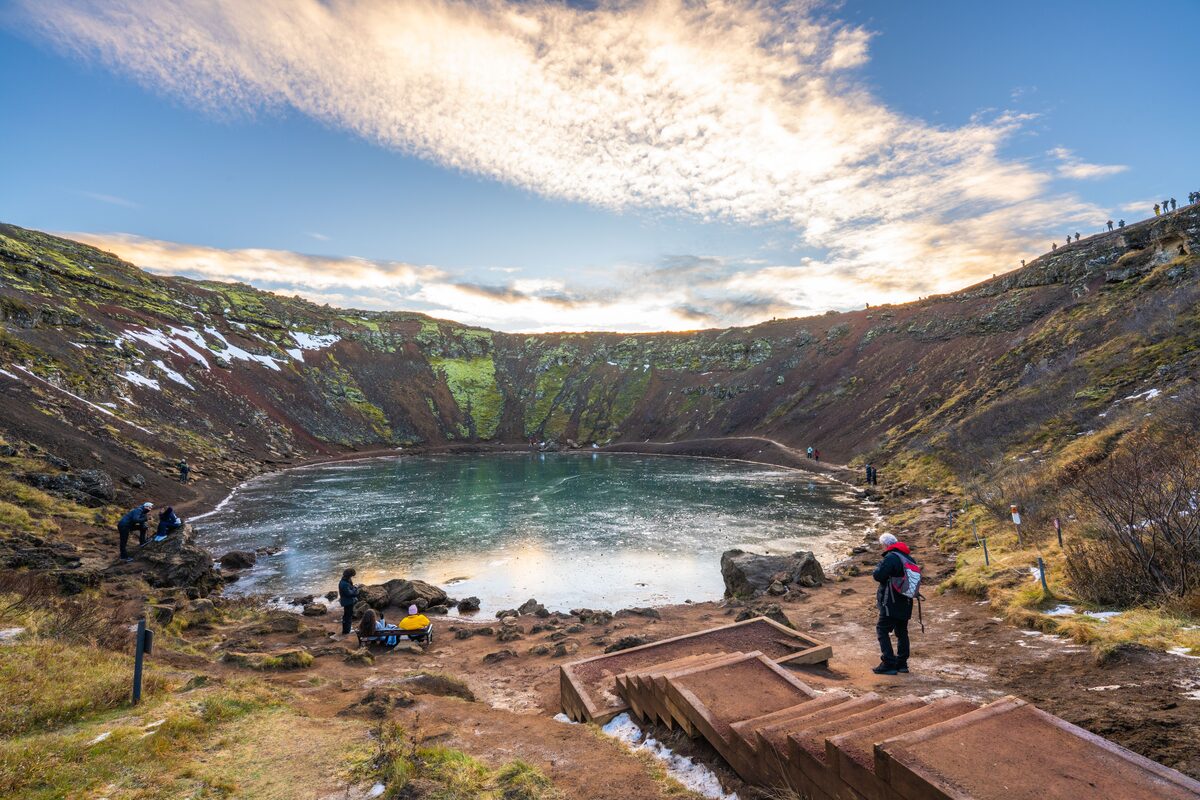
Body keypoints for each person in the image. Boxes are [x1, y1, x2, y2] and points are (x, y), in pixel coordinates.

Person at [872, 533, 917, 675]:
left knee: (882, 630)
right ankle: (902, 663)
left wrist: (879, 567)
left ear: (886, 545)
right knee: (902, 632)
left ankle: (889, 663)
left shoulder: (891, 557)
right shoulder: (909, 558)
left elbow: (878, 576)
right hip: (907, 600)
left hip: (891, 601)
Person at [338, 568, 360, 636]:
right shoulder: (344, 583)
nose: (352, 577)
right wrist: (356, 589)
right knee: (348, 616)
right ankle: (347, 631)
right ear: (349, 575)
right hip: (347, 602)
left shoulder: (345, 580)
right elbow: (349, 593)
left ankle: (347, 629)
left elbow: (350, 588)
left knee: (348, 615)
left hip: (348, 601)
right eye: (351, 576)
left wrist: (354, 588)